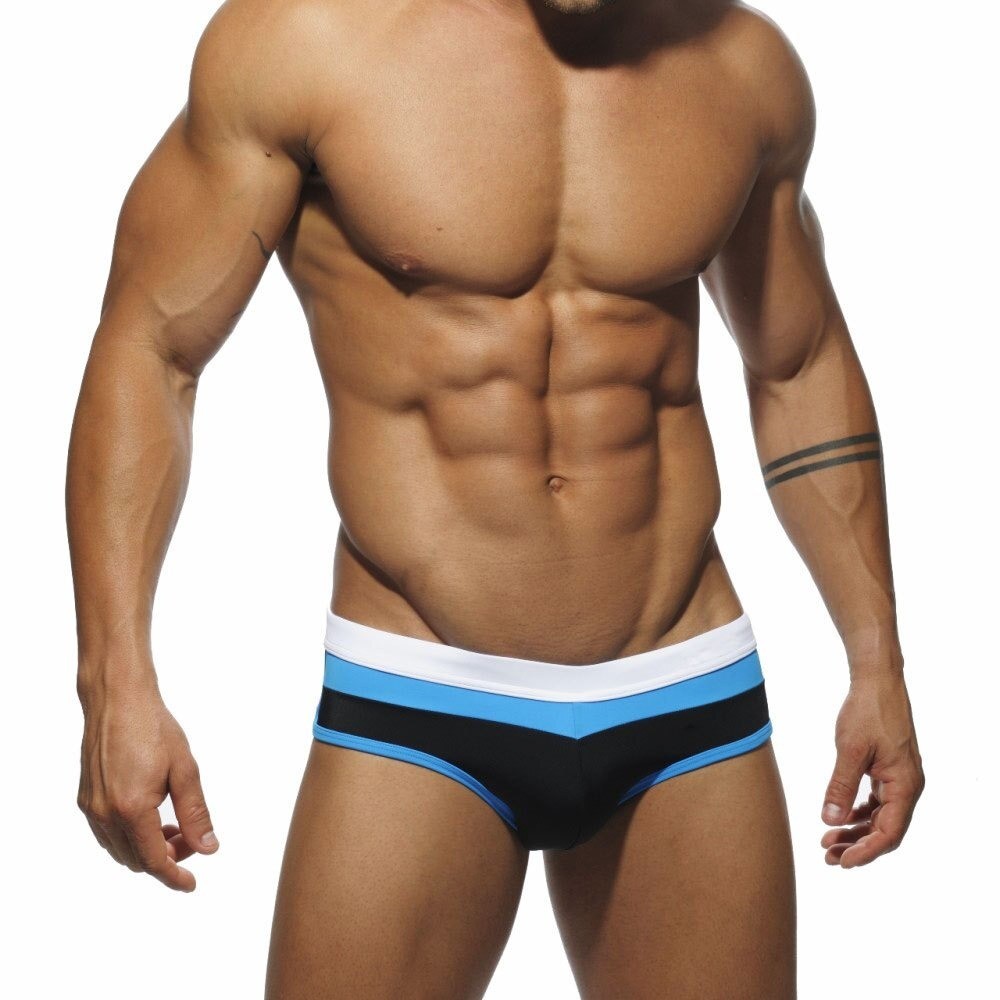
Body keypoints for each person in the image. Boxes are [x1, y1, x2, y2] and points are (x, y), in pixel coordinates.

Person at [66, 0, 925, 996]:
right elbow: (153, 347)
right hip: (419, 690)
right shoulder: (308, 41)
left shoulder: (741, 67)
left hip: (686, 685)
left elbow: (797, 364)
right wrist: (114, 682)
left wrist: (878, 660)